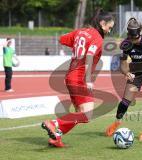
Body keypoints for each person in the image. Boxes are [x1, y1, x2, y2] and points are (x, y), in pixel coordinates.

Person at [41, 9, 115, 147]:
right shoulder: (97, 38)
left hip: (70, 76)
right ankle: (54, 123)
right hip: (80, 78)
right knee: (86, 115)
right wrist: (87, 79)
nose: (109, 31)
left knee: (79, 113)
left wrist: (76, 43)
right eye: (109, 27)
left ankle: (57, 137)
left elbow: (61, 39)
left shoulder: (80, 32)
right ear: (102, 23)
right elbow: (90, 55)